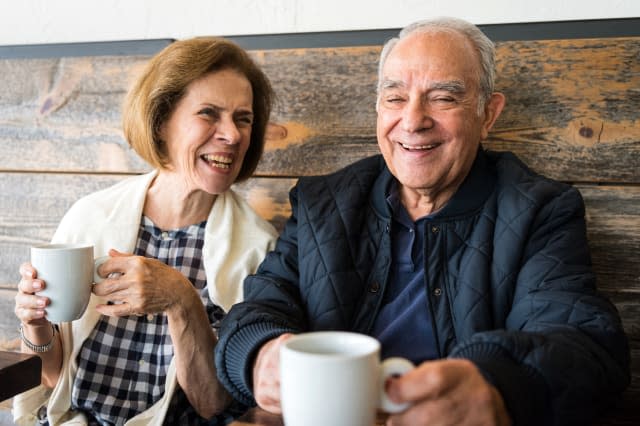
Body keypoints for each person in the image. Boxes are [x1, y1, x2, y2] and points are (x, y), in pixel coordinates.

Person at [214, 17, 630, 425]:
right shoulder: (323, 201)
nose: (413, 121)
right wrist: (260, 353)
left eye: (444, 98)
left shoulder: (540, 209)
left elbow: (583, 344)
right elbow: (258, 308)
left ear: (488, 113)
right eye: (395, 98)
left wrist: (497, 386)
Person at [13, 36, 278, 425]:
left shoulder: (262, 249)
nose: (233, 135)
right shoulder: (90, 216)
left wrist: (181, 300)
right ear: (161, 122)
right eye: (209, 113)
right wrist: (35, 324)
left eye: (243, 118)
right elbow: (54, 377)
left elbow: (214, 405)